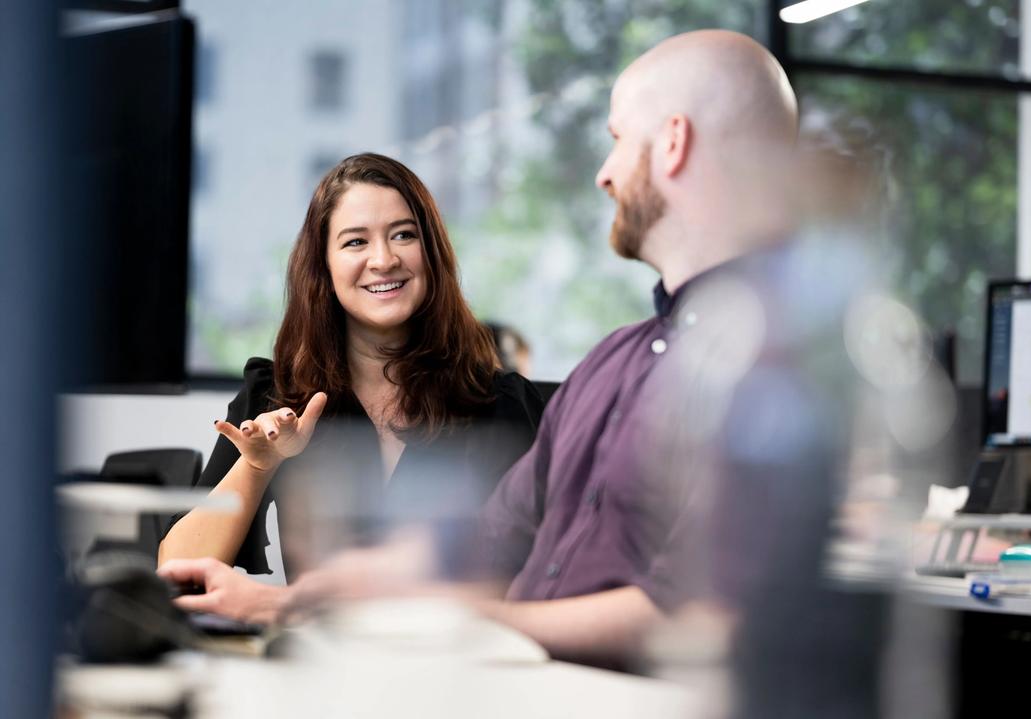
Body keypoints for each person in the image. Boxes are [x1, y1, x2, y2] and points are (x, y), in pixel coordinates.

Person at [160, 32, 888, 698]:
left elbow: (694, 613)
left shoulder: (774, 364)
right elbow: (478, 540)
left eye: (615, 141)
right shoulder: (610, 364)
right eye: (353, 242)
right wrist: (304, 603)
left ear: (672, 144)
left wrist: (442, 617)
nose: (603, 174)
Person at [158, 153, 545, 578]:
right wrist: (257, 465)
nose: (383, 260)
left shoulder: (501, 403)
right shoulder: (274, 396)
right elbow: (178, 569)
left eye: (403, 235)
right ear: (323, 265)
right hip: (319, 642)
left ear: (431, 252)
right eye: (355, 241)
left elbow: (551, 569)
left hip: (462, 641)